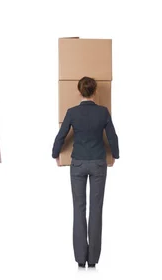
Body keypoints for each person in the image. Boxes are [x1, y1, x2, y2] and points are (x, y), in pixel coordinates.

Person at [52, 76, 119, 268]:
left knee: (79, 209)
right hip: (98, 163)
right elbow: (112, 136)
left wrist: (55, 155)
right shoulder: (103, 112)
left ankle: (81, 258)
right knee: (96, 210)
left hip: (78, 164)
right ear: (95, 91)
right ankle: (93, 260)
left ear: (78, 91)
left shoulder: (72, 112)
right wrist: (114, 155)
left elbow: (61, 135)